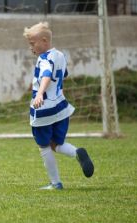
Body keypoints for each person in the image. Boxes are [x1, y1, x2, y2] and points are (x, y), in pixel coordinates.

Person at [23, 22, 94, 190]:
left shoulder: (44, 58)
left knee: (44, 146)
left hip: (43, 110)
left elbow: (47, 74)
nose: (31, 47)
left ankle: (55, 183)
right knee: (56, 143)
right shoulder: (60, 55)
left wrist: (40, 93)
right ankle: (77, 152)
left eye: (32, 44)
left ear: (44, 40)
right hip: (61, 109)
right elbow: (64, 74)